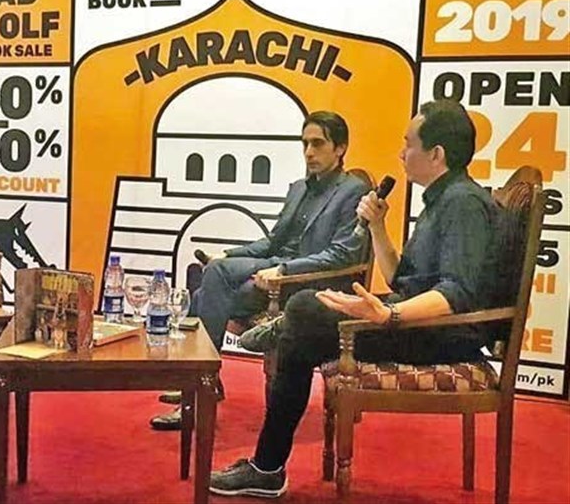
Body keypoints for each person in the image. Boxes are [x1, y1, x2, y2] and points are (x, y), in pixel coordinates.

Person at [209, 99, 500, 498]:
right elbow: (401, 277)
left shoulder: (463, 203)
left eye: (408, 143)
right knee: (305, 321)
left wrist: (389, 314)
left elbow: (458, 293)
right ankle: (267, 464)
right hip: (415, 317)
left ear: (436, 154)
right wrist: (377, 227)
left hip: (439, 332)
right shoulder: (441, 199)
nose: (401, 153)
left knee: (304, 310)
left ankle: (268, 465)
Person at [150, 111, 371, 431]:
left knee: (208, 288)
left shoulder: (353, 190)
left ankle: (198, 391)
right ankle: (202, 386)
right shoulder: (299, 188)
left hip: (308, 282)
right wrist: (228, 254)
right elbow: (272, 242)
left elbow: (341, 256)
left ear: (340, 148)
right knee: (208, 280)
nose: (309, 152)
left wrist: (283, 269)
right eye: (305, 144)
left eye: (318, 144)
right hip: (274, 268)